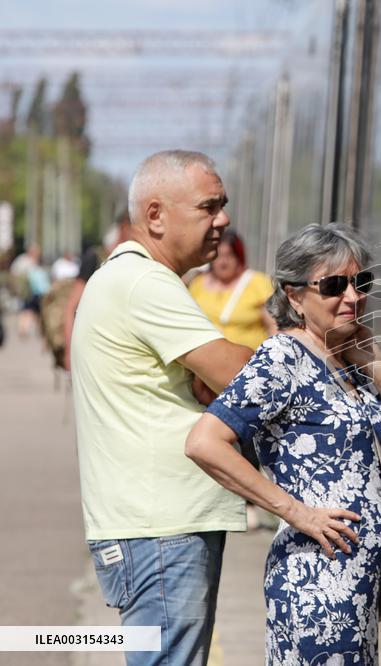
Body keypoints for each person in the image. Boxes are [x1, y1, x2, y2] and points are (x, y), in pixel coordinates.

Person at [185, 223, 381, 665]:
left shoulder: (351, 363)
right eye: (334, 285)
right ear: (295, 295)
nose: (353, 296)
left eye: (361, 283)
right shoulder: (283, 358)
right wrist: (295, 512)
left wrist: (378, 365)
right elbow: (204, 442)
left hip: (357, 587)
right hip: (317, 588)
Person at [71, 150, 255, 666]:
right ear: (155, 215)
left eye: (223, 206)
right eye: (208, 207)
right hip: (162, 531)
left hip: (153, 526)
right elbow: (244, 377)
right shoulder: (144, 283)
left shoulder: (136, 279)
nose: (223, 220)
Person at [62, 211, 132, 371]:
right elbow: (71, 307)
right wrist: (69, 352)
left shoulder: (136, 261)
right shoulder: (95, 258)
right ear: (124, 227)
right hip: (92, 353)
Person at [188, 229, 275, 350]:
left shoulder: (258, 284)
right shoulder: (198, 284)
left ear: (239, 257)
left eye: (229, 256)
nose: (223, 263)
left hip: (246, 362)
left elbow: (273, 327)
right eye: (218, 256)